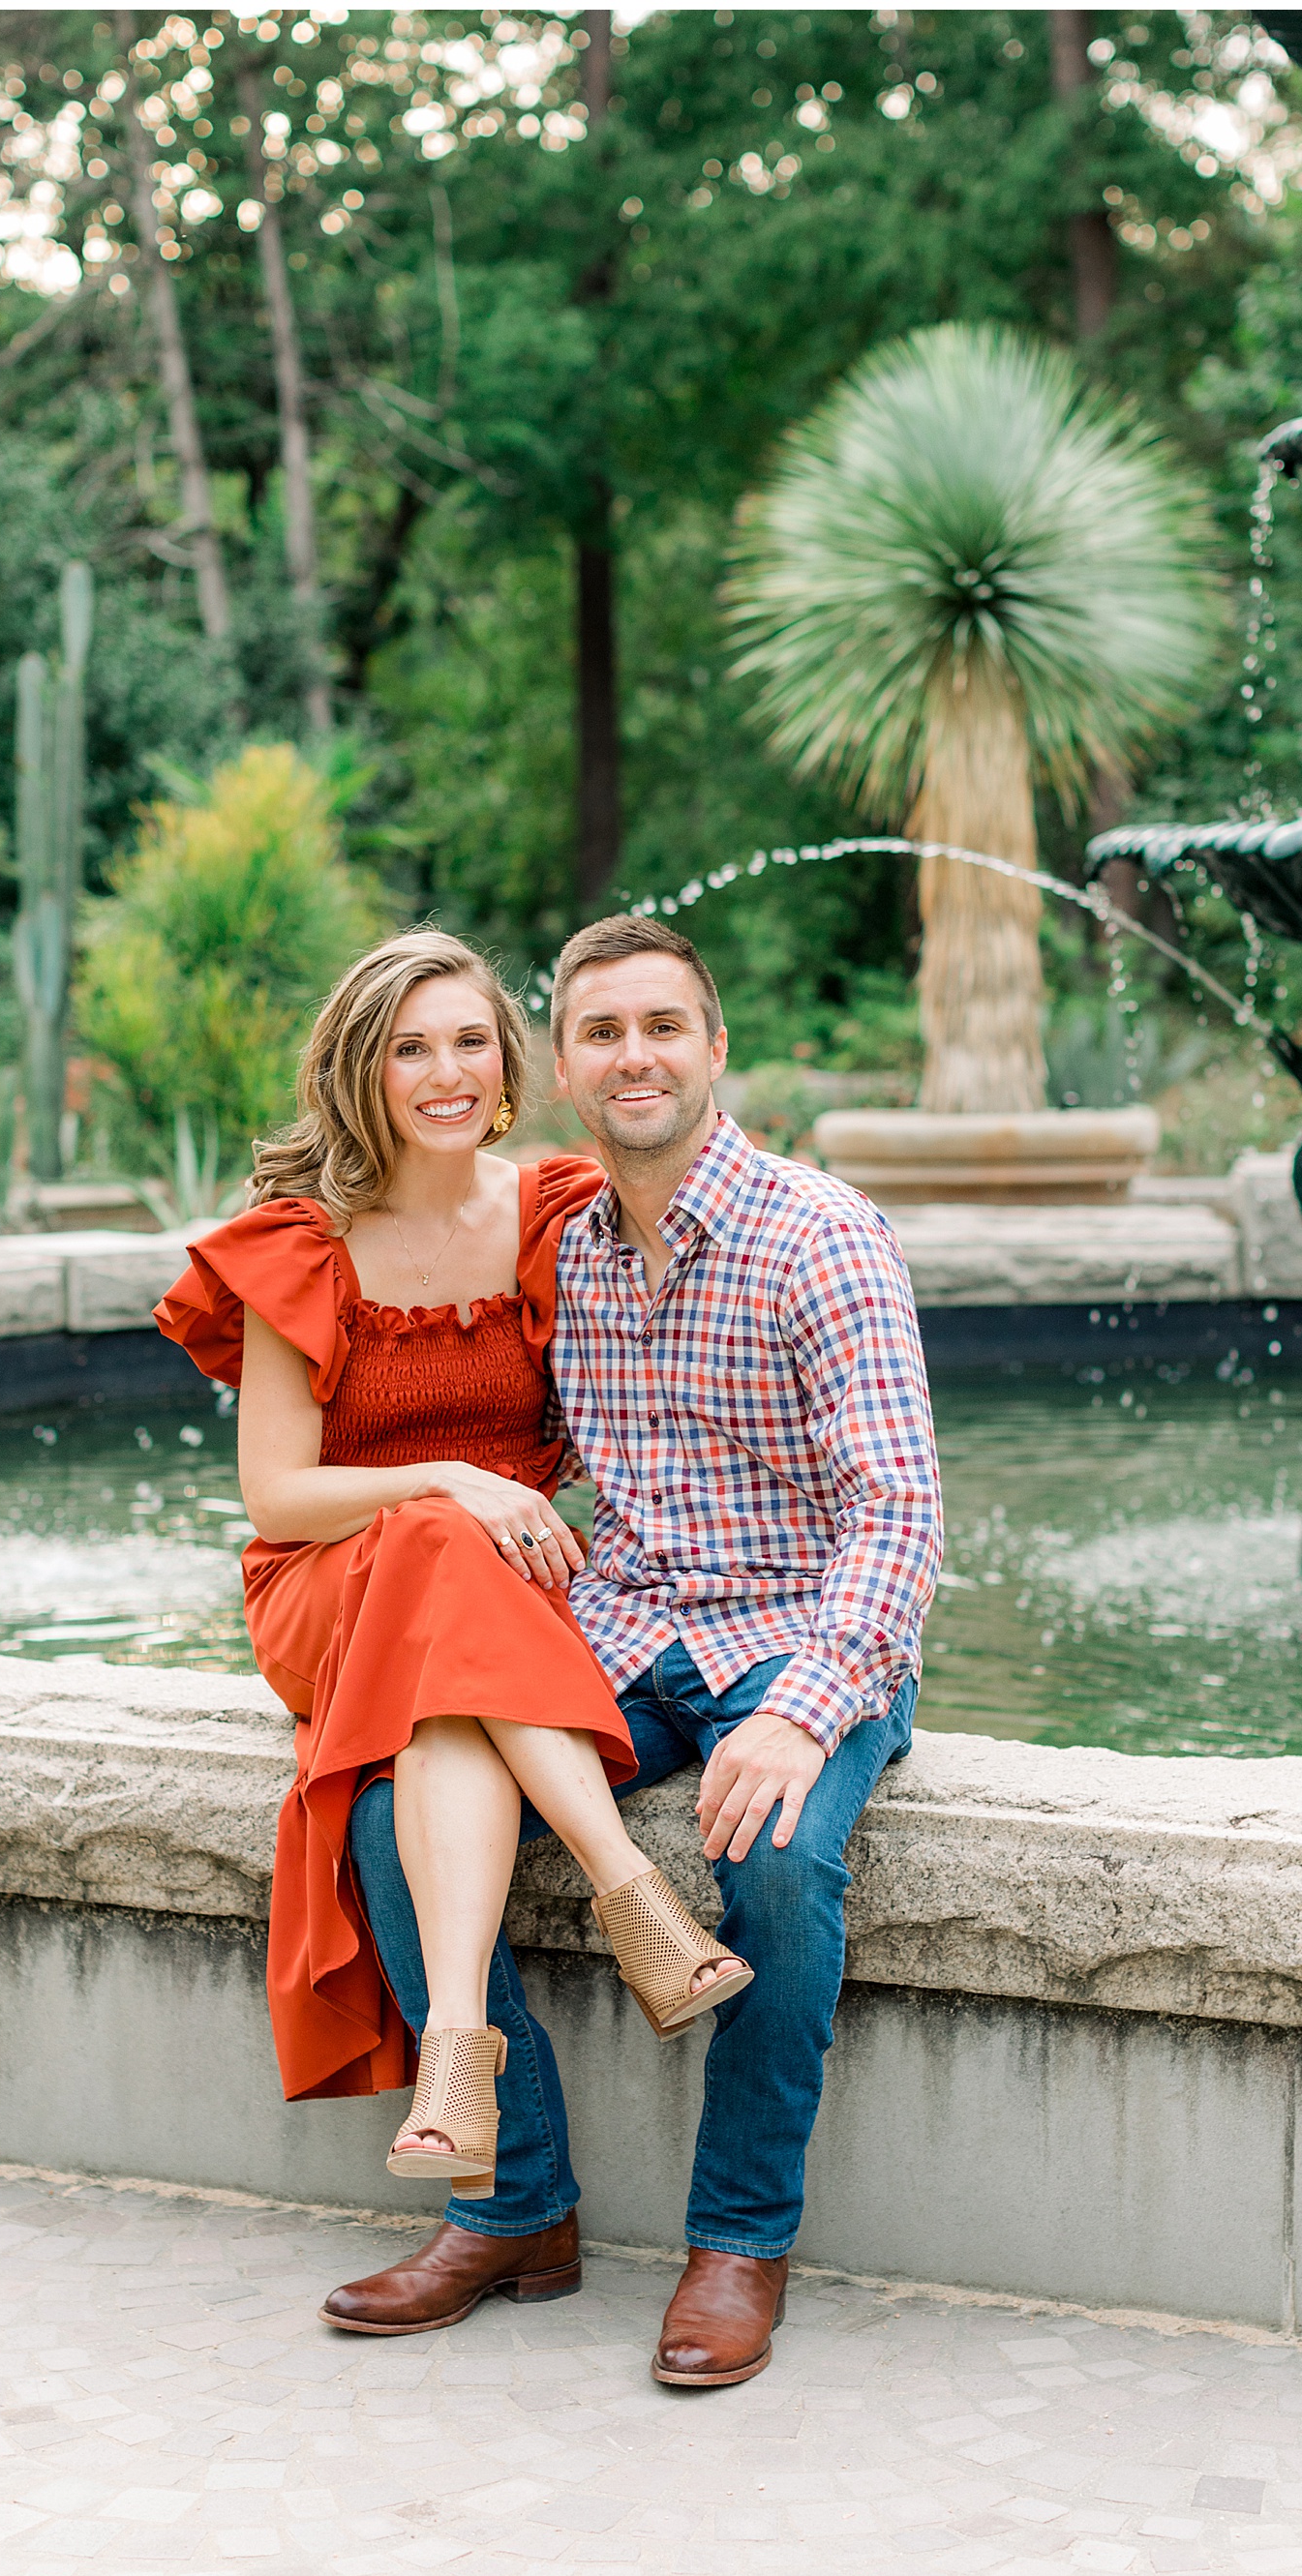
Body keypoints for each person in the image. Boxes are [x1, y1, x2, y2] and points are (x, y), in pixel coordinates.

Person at [329, 915, 942, 2386]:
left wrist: (799, 1714)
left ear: (715, 1046)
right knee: (379, 1810)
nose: (635, 1055)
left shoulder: (823, 1232)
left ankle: (739, 2240)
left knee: (778, 1858)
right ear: (566, 1067)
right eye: (601, 1033)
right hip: (624, 1621)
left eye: (663, 1025)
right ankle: (514, 2204)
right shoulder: (575, 1252)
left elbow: (900, 1510)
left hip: (802, 1636)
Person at [154, 930, 750, 2217]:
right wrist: (454, 1481)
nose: (444, 1072)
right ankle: (632, 1894)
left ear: (507, 1060)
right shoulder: (296, 1245)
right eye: (409, 1047)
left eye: (469, 1041)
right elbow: (278, 1497)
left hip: (496, 1612)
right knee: (436, 1539)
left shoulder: (550, 1212)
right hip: (331, 1584)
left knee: (442, 1719)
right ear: (360, 1071)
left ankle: (454, 2063)